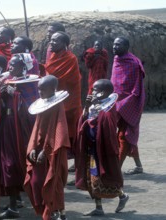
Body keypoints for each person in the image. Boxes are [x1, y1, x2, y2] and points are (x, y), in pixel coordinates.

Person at [0, 53, 39, 219]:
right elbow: (0, 103)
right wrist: (2, 95)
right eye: (9, 65)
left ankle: (21, 203)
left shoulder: (31, 84)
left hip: (22, 129)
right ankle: (14, 201)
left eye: (13, 65)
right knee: (6, 162)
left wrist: (15, 94)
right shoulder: (7, 81)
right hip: (7, 125)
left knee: (15, 163)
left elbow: (33, 108)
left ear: (24, 67)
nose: (9, 68)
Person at [75, 79, 129, 216]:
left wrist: (93, 117)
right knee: (92, 177)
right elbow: (83, 122)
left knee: (105, 176)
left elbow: (107, 126)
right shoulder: (93, 105)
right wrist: (87, 108)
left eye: (95, 90)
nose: (92, 92)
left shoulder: (109, 108)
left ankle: (122, 195)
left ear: (104, 92)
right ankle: (99, 207)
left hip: (103, 149)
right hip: (92, 148)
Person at [24, 75, 70, 220]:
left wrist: (47, 150)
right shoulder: (41, 104)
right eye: (39, 89)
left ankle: (59, 213)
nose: (40, 92)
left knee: (54, 181)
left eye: (43, 89)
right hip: (39, 149)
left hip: (53, 150)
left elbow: (58, 130)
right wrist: (32, 147)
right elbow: (37, 127)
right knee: (36, 181)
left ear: (52, 89)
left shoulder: (58, 106)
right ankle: (47, 209)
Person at [111, 36, 145, 175]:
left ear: (126, 47)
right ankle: (139, 166)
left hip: (129, 104)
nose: (114, 47)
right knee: (128, 134)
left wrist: (125, 104)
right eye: (113, 44)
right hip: (115, 102)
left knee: (124, 136)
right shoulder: (116, 60)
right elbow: (115, 83)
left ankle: (116, 169)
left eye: (118, 45)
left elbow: (137, 89)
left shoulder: (133, 63)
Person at [45, 31, 82, 156]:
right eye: (51, 39)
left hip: (69, 102)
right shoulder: (53, 57)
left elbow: (61, 78)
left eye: (56, 40)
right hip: (55, 100)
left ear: (65, 44)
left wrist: (46, 78)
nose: (52, 42)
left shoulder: (71, 59)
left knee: (71, 131)